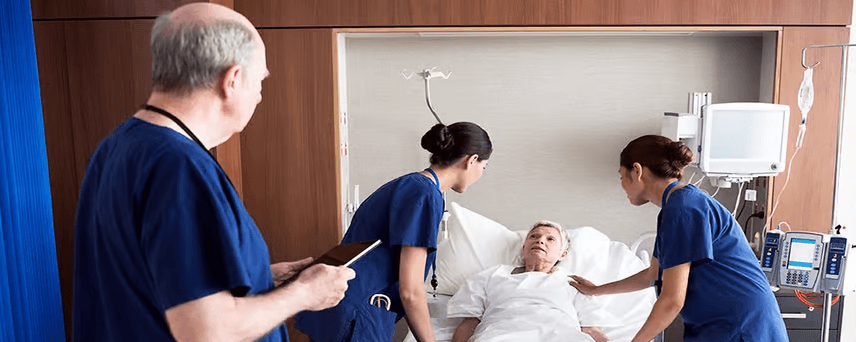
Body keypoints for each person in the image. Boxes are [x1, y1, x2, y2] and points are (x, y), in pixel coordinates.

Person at [72, 3, 355, 342]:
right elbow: (206, 332)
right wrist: (304, 294)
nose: (260, 94)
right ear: (232, 80)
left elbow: (154, 282)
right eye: (260, 80)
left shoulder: (117, 147)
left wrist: (259, 279)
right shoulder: (178, 167)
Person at [569, 135, 788, 342]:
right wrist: (596, 290)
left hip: (742, 327)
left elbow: (672, 301)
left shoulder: (684, 208)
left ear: (637, 171)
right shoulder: (676, 206)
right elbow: (653, 274)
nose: (622, 185)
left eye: (621, 176)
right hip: (725, 325)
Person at [295, 122, 492, 341]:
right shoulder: (425, 194)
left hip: (338, 303)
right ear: (471, 160)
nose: (481, 174)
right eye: (484, 167)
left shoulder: (409, 185)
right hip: (357, 313)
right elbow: (410, 291)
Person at [447, 221, 614, 342]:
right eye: (534, 236)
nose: (540, 240)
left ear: (563, 254)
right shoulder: (493, 275)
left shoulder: (574, 283)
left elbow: (590, 329)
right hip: (500, 336)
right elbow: (468, 322)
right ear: (523, 247)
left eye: (550, 239)